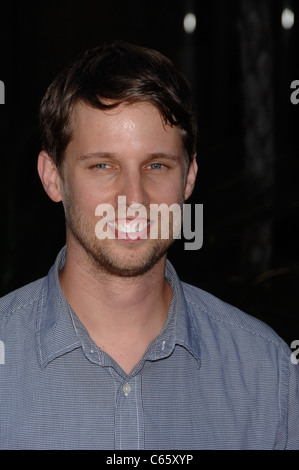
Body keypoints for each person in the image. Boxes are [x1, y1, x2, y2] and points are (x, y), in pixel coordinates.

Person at [0, 40, 298, 450]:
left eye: (157, 165)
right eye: (103, 165)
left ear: (189, 178)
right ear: (53, 177)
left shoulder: (268, 374)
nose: (133, 198)